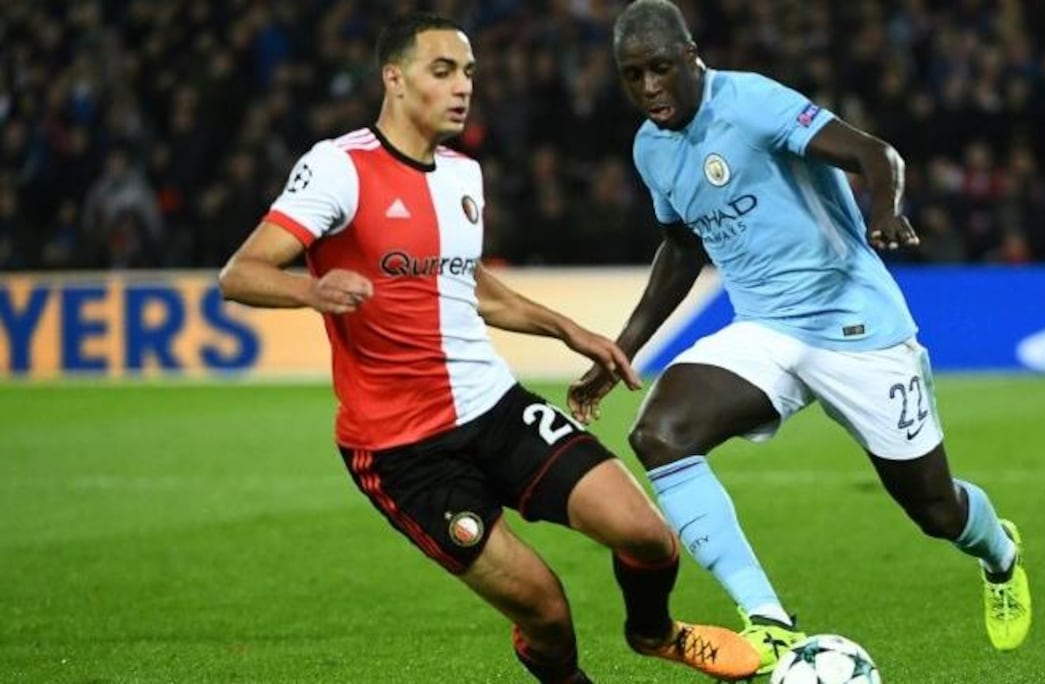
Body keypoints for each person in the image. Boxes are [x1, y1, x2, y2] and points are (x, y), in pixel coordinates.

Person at [217, 12, 760, 683]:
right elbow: (240, 274)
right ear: (394, 78)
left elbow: (470, 286)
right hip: (405, 451)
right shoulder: (339, 168)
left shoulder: (462, 176)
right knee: (548, 614)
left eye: (469, 73)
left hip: (495, 408)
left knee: (648, 536)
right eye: (443, 71)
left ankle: (654, 632)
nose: (463, 87)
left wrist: (569, 330)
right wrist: (311, 290)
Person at [569, 0, 1033, 674]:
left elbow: (874, 153)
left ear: (692, 56)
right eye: (632, 75)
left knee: (935, 509)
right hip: (765, 330)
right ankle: (769, 621)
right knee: (660, 434)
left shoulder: (751, 103)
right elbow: (682, 247)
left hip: (855, 325)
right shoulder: (651, 148)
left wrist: (884, 211)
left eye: (660, 68)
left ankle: (1001, 554)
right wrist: (623, 349)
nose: (649, 87)